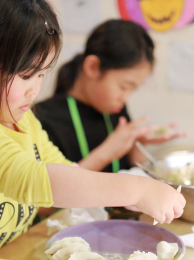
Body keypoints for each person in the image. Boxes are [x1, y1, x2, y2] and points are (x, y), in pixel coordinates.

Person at [0, 0, 185, 260]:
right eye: (26, 74)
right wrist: (135, 188)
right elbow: (32, 179)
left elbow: (61, 170)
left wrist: (126, 193)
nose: (35, 89)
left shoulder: (22, 119)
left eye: (41, 74)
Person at [34, 20, 186, 173]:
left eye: (133, 89)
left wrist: (138, 142)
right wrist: (106, 153)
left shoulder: (115, 107)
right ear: (92, 67)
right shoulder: (42, 118)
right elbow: (53, 188)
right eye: (124, 87)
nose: (125, 97)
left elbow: (130, 169)